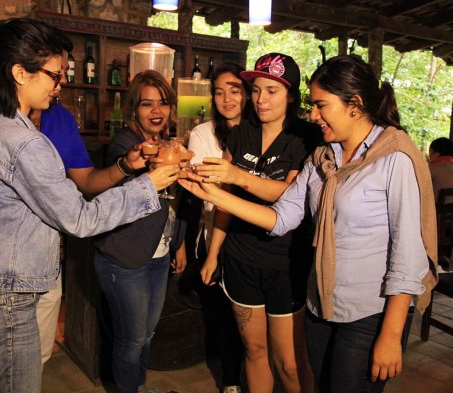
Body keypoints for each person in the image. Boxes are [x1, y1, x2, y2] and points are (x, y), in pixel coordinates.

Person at [179, 54, 438, 393]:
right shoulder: (324, 158)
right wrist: (210, 191)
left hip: (368, 313)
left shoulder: (394, 159)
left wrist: (391, 334)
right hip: (322, 306)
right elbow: (282, 216)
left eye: (321, 105)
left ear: (354, 105)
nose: (313, 115)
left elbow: (409, 254)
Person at [0, 18, 178, 393]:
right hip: (2, 299)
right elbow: (80, 218)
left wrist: (128, 169)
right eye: (55, 75)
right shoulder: (22, 141)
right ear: (20, 72)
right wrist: (149, 184)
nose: (61, 83)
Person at [194, 53, 316, 393]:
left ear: (291, 96)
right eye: (257, 90)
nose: (261, 99)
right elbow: (226, 200)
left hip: (285, 263)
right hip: (240, 258)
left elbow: (289, 195)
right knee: (255, 350)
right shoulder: (242, 133)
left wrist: (236, 174)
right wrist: (213, 253)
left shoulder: (305, 137)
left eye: (272, 91)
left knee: (290, 364)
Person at [92, 70, 187, 393]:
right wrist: (150, 167)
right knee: (131, 339)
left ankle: (139, 386)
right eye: (147, 104)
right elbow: (124, 181)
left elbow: (175, 204)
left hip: (158, 256)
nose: (157, 111)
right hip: (125, 258)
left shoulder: (170, 145)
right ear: (134, 109)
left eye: (163, 104)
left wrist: (179, 244)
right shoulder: (126, 146)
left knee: (146, 334)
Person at [187, 62, 252, 393]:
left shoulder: (262, 132)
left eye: (235, 90)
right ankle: (230, 380)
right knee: (225, 317)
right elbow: (202, 188)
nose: (227, 98)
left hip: (255, 237)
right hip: (214, 233)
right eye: (219, 92)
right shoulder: (203, 134)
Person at [428, 137, 453, 202]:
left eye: (430, 152)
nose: (429, 156)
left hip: (436, 210)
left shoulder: (431, 169)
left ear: (436, 154)